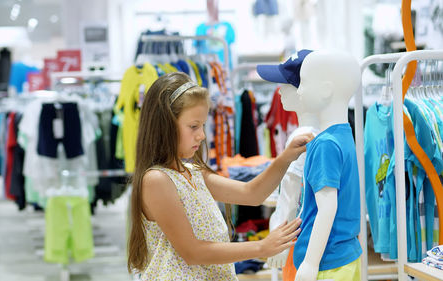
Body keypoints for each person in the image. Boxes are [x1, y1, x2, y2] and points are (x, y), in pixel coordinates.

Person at [127, 72, 313, 280]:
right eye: (193, 126)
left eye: (203, 126)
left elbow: (252, 193)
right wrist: (261, 247)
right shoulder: (156, 180)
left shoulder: (193, 173)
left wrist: (285, 157)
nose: (202, 135)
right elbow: (193, 252)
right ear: (166, 125)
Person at [291, 50, 362, 281]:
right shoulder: (343, 135)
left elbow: (327, 207)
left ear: (325, 90)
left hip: (327, 263)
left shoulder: (326, 145)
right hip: (343, 257)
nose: (298, 91)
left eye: (303, 82)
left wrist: (310, 264)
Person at [256, 49, 321, 273]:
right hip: (311, 241)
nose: (280, 90)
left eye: (286, 84)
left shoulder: (301, 136)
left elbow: (291, 198)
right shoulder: (327, 130)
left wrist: (278, 242)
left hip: (296, 243)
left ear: (303, 89)